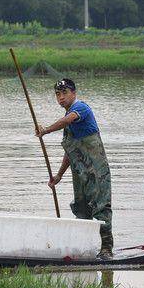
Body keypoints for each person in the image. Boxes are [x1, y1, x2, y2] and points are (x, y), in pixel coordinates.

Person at [35, 78, 113, 259]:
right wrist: (59, 176)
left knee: (101, 208)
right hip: (80, 172)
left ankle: (107, 248)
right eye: (57, 94)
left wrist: (45, 130)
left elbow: (68, 119)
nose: (61, 97)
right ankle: (83, 248)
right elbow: (71, 151)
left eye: (64, 93)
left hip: (97, 170)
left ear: (74, 93)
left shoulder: (81, 109)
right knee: (81, 209)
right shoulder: (69, 126)